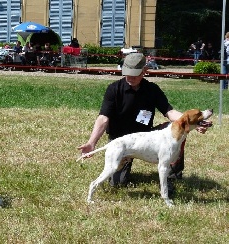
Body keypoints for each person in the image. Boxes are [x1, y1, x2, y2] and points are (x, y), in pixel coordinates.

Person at [77, 53, 209, 195]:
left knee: (176, 131)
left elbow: (170, 113)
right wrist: (91, 143)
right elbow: (103, 118)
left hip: (145, 138)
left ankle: (171, 176)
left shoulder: (152, 90)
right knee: (117, 183)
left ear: (145, 71)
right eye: (127, 74)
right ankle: (126, 166)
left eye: (135, 74)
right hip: (121, 140)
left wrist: (195, 123)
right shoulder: (114, 89)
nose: (130, 78)